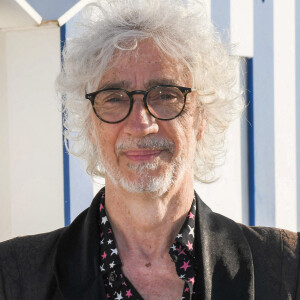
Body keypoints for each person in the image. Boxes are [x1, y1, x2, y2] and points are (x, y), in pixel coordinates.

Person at [0, 0, 299, 299]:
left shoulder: (285, 270)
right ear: (91, 124)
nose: (141, 124)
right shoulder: (14, 277)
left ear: (202, 117)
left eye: (166, 95)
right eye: (114, 97)